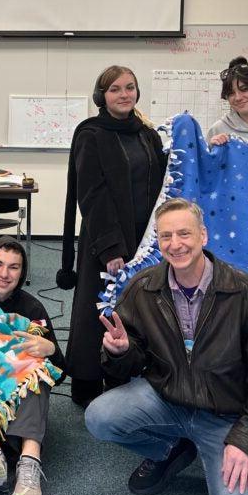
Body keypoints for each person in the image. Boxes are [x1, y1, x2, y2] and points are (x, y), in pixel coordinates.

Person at [85, 198, 248, 495]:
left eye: (184, 233)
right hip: (168, 398)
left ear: (204, 236)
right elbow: (132, 361)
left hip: (225, 419)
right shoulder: (143, 288)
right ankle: (171, 450)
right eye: (166, 236)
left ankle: (220, 453)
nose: (175, 244)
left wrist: (245, 442)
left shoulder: (246, 294)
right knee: (99, 416)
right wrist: (120, 352)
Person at [56, 65, 166, 407]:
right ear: (102, 96)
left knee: (135, 306)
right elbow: (91, 192)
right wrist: (110, 246)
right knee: (98, 308)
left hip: (143, 239)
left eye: (130, 88)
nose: (124, 94)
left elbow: (163, 182)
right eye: (115, 89)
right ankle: (87, 381)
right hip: (105, 240)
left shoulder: (148, 136)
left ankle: (122, 373)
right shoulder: (91, 134)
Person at [0, 237, 65, 495]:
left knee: (37, 369)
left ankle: (29, 464)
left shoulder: (33, 309)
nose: (4, 274)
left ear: (22, 273)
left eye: (14, 267)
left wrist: (49, 349)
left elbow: (58, 374)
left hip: (20, 409)